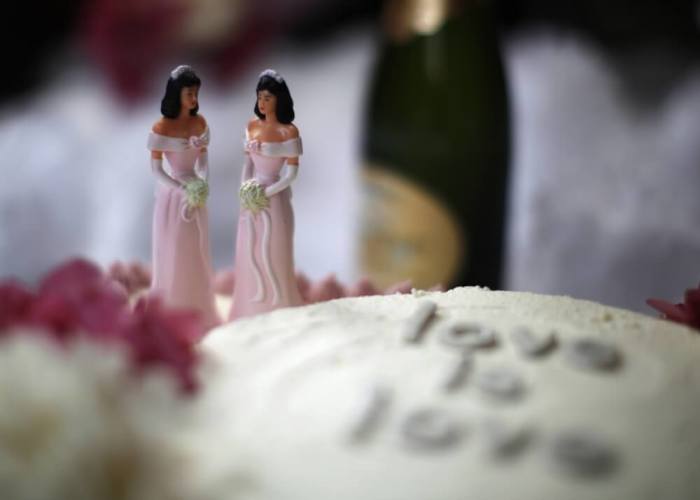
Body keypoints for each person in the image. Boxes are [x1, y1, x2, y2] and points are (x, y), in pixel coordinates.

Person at [146, 65, 220, 330]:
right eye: (189, 93)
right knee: (174, 251)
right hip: (172, 196)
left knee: (195, 252)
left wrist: (201, 184)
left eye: (196, 93)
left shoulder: (200, 124)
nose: (194, 99)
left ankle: (199, 308)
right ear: (176, 94)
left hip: (195, 194)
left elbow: (203, 161)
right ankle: (173, 307)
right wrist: (180, 189)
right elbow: (156, 169)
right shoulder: (161, 127)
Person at [230, 69, 304, 320]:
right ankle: (250, 306)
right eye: (260, 97)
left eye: (268, 98)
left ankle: (277, 307)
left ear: (279, 100)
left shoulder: (289, 132)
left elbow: (290, 174)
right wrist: (246, 191)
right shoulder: (251, 126)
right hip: (250, 200)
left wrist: (266, 194)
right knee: (248, 249)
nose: (262, 103)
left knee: (273, 250)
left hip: (274, 198)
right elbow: (248, 163)